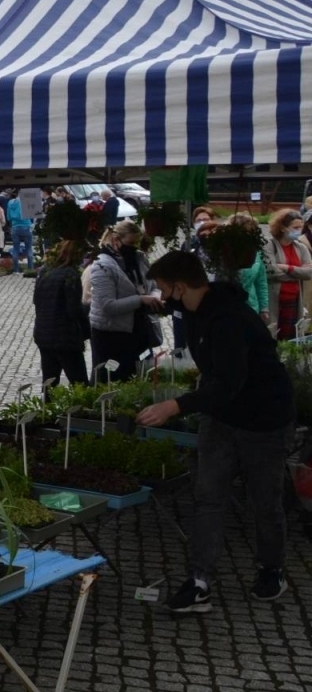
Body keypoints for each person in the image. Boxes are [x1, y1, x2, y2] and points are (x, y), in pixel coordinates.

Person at [137, 251, 292, 611]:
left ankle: (272, 568)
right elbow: (215, 379)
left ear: (180, 286)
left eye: (163, 290)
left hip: (264, 421)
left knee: (265, 502)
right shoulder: (195, 313)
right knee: (208, 497)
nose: (161, 298)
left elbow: (229, 382)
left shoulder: (229, 318)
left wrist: (175, 405)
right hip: (221, 419)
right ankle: (199, 580)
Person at [87, 220, 162, 381]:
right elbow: (108, 306)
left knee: (141, 374)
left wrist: (155, 296)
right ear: (116, 240)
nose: (134, 247)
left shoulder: (139, 258)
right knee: (112, 378)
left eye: (137, 243)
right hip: (112, 336)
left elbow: (154, 285)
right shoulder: (102, 266)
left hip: (139, 330)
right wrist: (141, 300)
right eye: (130, 243)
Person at [33, 240, 93, 385]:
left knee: (49, 381)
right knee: (79, 382)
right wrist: (86, 319)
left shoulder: (45, 272)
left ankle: (47, 407)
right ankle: (82, 407)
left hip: (44, 333)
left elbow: (37, 301)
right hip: (65, 337)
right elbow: (74, 310)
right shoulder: (70, 275)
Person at [263, 208, 312, 339]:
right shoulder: (269, 244)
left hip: (295, 299)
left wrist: (288, 268)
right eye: (295, 227)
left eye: (301, 227)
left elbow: (309, 273)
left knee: (291, 337)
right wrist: (297, 273)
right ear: (283, 228)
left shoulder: (300, 247)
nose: (299, 230)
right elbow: (271, 271)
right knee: (272, 335)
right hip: (275, 299)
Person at [6, 190, 36, 274]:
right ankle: (30, 269)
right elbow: (32, 215)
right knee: (29, 248)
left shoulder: (10, 202)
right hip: (26, 226)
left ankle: (16, 270)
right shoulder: (25, 202)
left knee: (15, 249)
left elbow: (8, 216)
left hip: (15, 227)